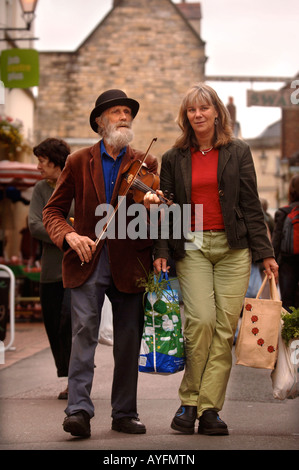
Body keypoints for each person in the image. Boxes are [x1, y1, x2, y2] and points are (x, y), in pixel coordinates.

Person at [144, 83, 278, 436]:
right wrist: (160, 251)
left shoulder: (238, 151)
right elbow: (167, 210)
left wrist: (265, 254)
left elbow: (251, 204)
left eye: (204, 108)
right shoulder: (174, 157)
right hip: (192, 246)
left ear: (217, 111)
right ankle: (189, 399)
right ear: (185, 116)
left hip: (234, 249)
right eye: (192, 110)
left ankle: (207, 409)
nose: (198, 115)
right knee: (200, 321)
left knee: (223, 329)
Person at [43, 89, 158, 438]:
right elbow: (53, 212)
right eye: (116, 112)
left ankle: (124, 412)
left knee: (128, 340)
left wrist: (154, 207)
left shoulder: (145, 163)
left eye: (128, 112)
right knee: (83, 336)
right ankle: (78, 409)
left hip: (130, 261)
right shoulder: (77, 161)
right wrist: (70, 236)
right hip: (86, 259)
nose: (124, 117)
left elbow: (156, 214)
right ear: (99, 121)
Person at [28, 138, 73, 399]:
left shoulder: (76, 184)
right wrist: (68, 235)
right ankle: (69, 374)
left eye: (41, 161)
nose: (37, 167)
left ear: (56, 163)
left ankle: (77, 378)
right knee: (54, 325)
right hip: (50, 272)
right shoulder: (40, 190)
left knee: (70, 323)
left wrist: (57, 230)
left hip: (76, 269)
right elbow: (34, 225)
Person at [272, 174, 299, 310]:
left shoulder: (283, 212)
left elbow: (276, 242)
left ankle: (290, 330)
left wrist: (272, 263)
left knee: (287, 302)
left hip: (287, 263)